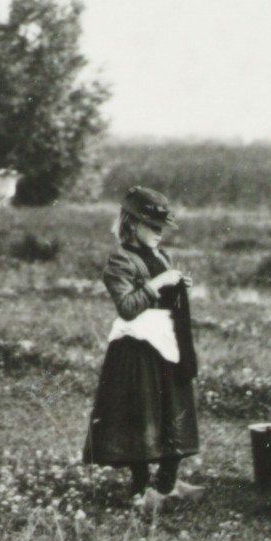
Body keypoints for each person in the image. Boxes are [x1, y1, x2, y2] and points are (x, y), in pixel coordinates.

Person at [83, 187, 204, 512]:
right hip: (137, 348)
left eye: (162, 227)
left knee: (175, 412)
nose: (159, 232)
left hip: (168, 343)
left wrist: (178, 287)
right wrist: (159, 283)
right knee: (141, 416)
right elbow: (127, 307)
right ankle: (140, 491)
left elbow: (163, 294)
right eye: (152, 226)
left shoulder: (161, 256)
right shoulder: (120, 260)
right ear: (132, 224)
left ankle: (167, 483)